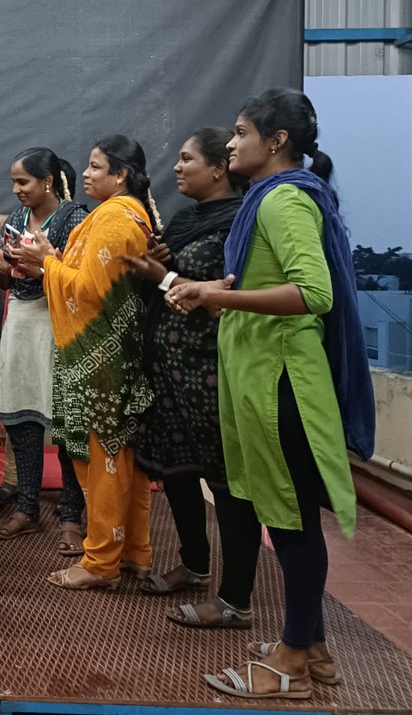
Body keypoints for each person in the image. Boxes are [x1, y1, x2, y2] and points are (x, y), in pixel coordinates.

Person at [166, 89, 374, 700]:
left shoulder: (283, 200)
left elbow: (313, 293)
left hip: (281, 380)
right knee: (286, 518)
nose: (230, 143)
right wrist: (216, 289)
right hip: (261, 375)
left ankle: (288, 661)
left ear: (275, 140)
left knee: (290, 521)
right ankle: (312, 648)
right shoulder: (271, 201)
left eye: (239, 132)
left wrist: (218, 297)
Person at [120, 129, 262, 627]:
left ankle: (235, 597)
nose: (177, 168)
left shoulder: (240, 223)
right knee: (177, 471)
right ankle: (195, 566)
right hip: (169, 371)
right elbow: (173, 281)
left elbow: (210, 290)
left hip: (211, 372)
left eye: (186, 159)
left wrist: (157, 273)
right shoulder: (183, 220)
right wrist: (158, 270)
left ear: (219, 168)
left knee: (226, 484)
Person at [14, 135, 159, 590]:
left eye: (96, 167)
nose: (87, 174)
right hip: (105, 357)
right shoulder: (116, 216)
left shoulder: (115, 221)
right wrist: (50, 262)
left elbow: (91, 292)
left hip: (100, 360)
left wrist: (46, 264)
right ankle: (133, 554)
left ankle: (100, 562)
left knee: (105, 462)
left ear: (121, 175)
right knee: (121, 462)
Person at [0, 148, 88, 551]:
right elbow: (7, 282)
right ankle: (26, 509)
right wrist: (2, 266)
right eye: (13, 182)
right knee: (21, 418)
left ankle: (70, 516)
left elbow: (81, 281)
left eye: (23, 182)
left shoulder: (74, 219)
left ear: (47, 181)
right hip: (21, 323)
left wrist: (42, 267)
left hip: (57, 323)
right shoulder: (16, 220)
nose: (16, 190)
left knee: (62, 422)